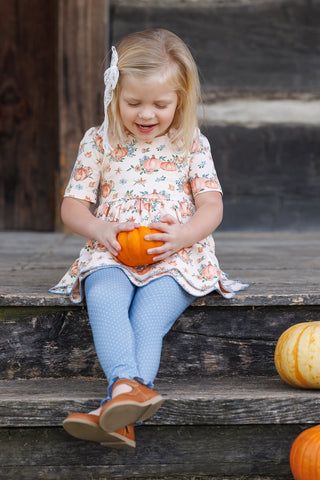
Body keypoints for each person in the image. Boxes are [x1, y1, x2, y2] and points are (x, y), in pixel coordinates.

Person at [50, 28, 248, 449]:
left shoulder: (191, 144)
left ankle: (118, 405)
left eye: (160, 104)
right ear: (113, 95)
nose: (146, 114)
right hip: (114, 250)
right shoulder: (99, 141)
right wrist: (99, 229)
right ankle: (128, 396)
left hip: (175, 256)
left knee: (146, 320)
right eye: (133, 103)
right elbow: (72, 207)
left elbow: (212, 206)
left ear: (181, 99)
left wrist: (183, 236)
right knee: (104, 297)